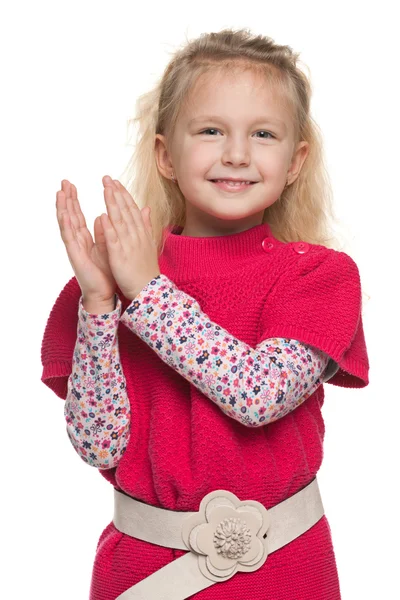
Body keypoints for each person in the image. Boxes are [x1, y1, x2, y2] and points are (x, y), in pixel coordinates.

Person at [41, 27, 370, 600]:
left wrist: (144, 292)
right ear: (166, 155)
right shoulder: (117, 279)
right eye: (211, 130)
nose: (237, 153)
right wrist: (99, 304)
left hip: (286, 572)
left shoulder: (319, 277)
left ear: (295, 162)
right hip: (143, 571)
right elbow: (98, 445)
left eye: (262, 134)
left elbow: (258, 394)